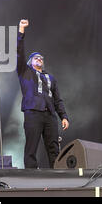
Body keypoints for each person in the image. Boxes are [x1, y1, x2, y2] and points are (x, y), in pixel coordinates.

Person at [17, 19, 69, 169]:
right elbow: (19, 53)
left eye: (41, 58)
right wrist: (21, 30)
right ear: (29, 62)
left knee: (53, 146)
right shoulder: (25, 72)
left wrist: (63, 116)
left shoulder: (50, 77)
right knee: (32, 145)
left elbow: (58, 99)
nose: (39, 59)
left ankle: (57, 173)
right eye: (36, 57)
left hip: (50, 115)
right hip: (33, 112)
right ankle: (31, 174)